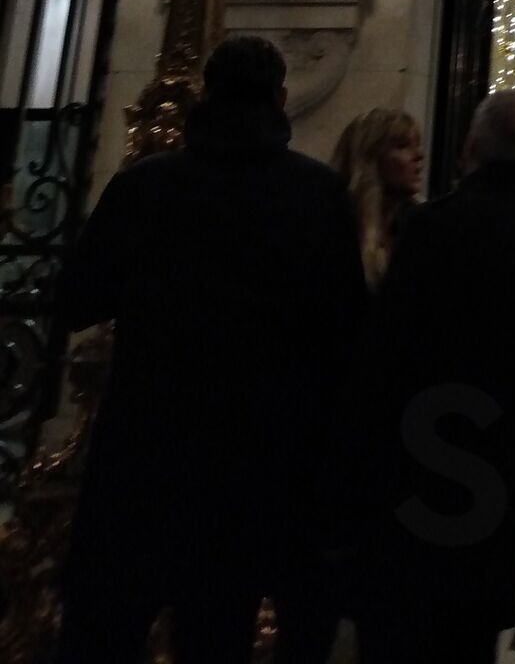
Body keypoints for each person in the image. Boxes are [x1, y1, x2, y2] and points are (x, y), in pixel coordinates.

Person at [55, 35, 367, 664]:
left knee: (108, 628)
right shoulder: (314, 194)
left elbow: (76, 300)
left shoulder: (147, 186)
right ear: (279, 97)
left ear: (206, 93)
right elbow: (346, 331)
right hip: (256, 460)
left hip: (146, 447)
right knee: (218, 631)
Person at [349, 88, 515, 664]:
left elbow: (387, 358)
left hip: (414, 470)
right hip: (499, 479)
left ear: (471, 146)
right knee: (470, 639)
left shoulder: (430, 229)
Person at [331, 107, 424, 287]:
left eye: (417, 144)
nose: (419, 155)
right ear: (370, 158)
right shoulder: (336, 226)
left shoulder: (417, 226)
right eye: (402, 145)